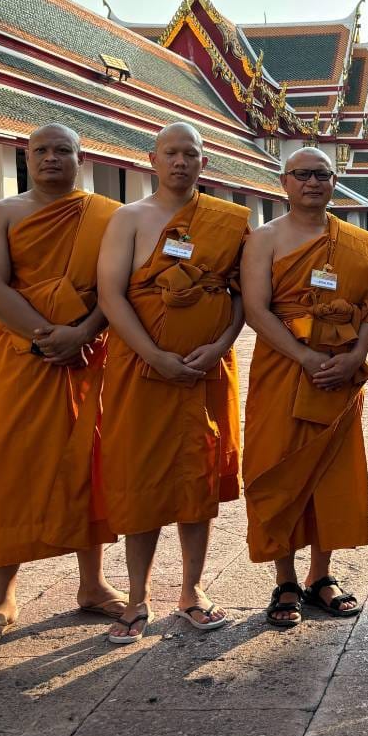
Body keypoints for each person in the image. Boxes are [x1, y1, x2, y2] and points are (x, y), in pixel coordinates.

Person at [0, 124, 126, 649]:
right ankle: (2, 595)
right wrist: (48, 337)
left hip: (87, 355)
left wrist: (83, 332)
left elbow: (117, 287)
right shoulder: (0, 214)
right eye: (41, 151)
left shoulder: (107, 216)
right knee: (7, 466)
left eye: (62, 151)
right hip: (21, 358)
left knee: (88, 463)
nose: (51, 158)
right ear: (26, 158)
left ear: (81, 158)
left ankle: (93, 583)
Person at [96, 122, 248, 644]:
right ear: (153, 160)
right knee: (140, 477)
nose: (180, 162)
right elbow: (111, 295)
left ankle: (192, 590)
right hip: (141, 370)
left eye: (190, 154)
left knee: (196, 475)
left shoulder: (226, 221)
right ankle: (136, 597)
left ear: (204, 162)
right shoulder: (129, 219)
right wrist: (154, 354)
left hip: (205, 370)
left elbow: (240, 295)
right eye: (171, 153)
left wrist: (222, 343)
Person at [242, 147, 368, 628]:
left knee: (330, 472)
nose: (313, 182)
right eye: (302, 174)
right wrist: (302, 355)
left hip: (339, 369)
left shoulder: (361, 244)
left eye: (322, 174)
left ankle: (321, 575)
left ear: (334, 182)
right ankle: (285, 579)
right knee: (277, 464)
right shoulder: (263, 239)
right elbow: (256, 309)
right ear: (284, 182)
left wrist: (356, 356)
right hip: (283, 367)